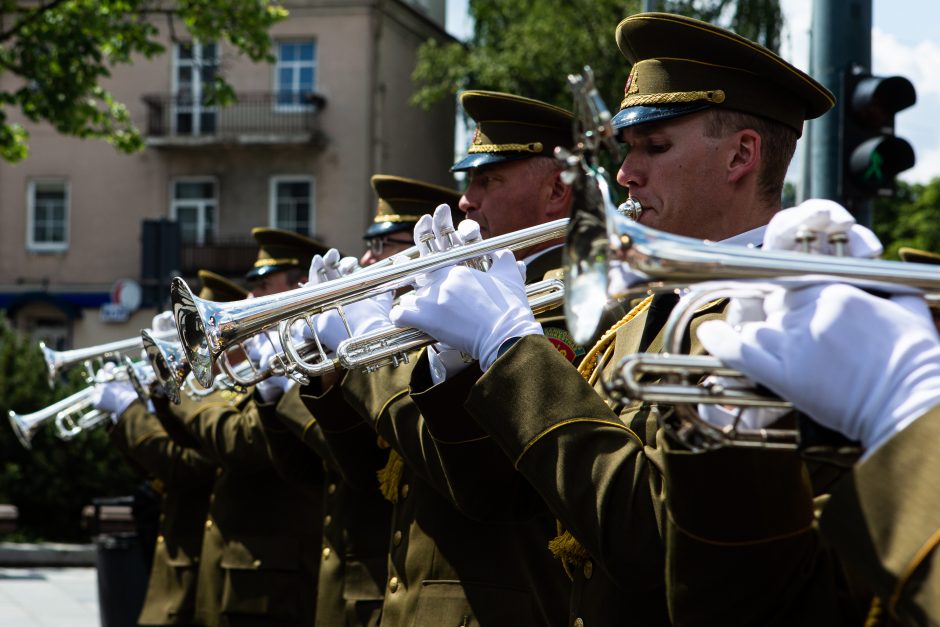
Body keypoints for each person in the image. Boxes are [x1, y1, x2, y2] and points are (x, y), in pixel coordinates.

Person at [388, 11, 841, 626]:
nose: (626, 173)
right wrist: (460, 361)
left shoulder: (778, 316)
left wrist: (510, 349)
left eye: (655, 147)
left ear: (742, 154)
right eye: (629, 149)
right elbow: (499, 498)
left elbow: (658, 538)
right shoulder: (640, 310)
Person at [298, 93, 579, 626]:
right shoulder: (470, 285)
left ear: (557, 190)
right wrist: (332, 369)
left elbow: (485, 483)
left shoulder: (568, 298)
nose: (467, 201)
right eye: (467, 181)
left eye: (488, 180)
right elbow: (372, 467)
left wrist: (372, 355)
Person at [275, 174, 462, 627]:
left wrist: (367, 345)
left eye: (384, 245)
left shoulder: (440, 327)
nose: (367, 259)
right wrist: (321, 371)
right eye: (369, 243)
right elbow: (359, 462)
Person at [185, 228, 328, 627]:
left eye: (263, 286)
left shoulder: (309, 353)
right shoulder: (257, 362)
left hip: (276, 574)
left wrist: (185, 396)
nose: (249, 300)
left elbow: (242, 443)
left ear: (299, 284)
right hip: (246, 567)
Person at [96, 270, 245, 626]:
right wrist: (142, 407)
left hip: (213, 566)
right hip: (181, 558)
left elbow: (187, 467)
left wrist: (134, 411)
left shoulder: (230, 392)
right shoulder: (214, 394)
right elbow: (156, 468)